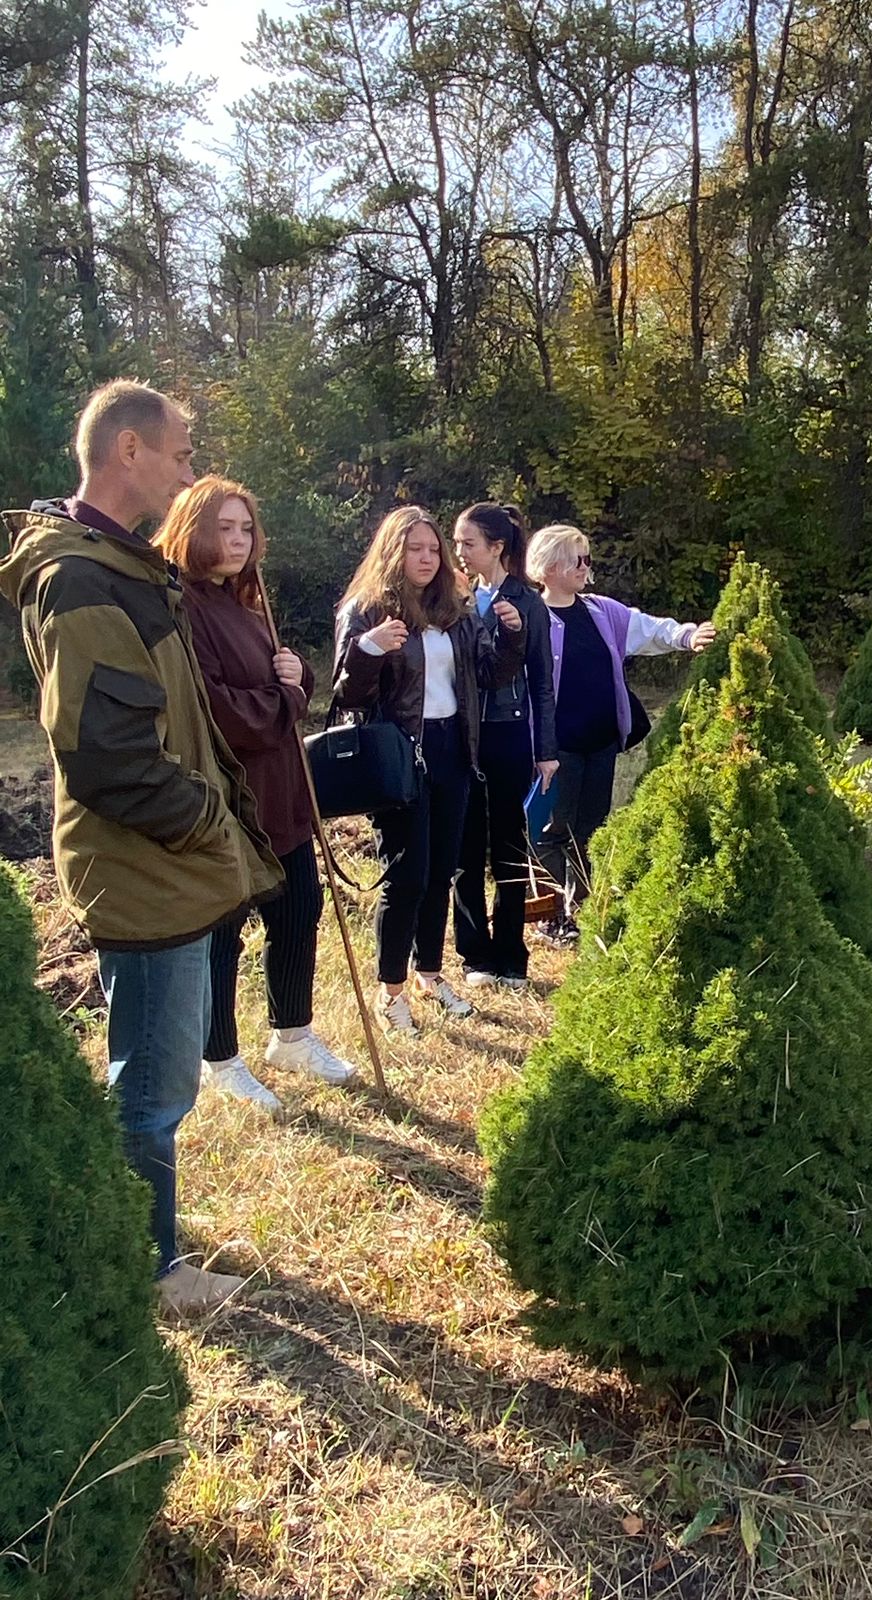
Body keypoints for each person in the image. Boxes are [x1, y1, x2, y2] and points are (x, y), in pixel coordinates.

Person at [0, 381, 283, 1316]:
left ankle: (143, 1233)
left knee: (158, 1081)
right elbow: (111, 761)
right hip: (145, 869)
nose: (190, 471)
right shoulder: (82, 580)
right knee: (152, 1090)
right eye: (182, 453)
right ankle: (149, 1270)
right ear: (130, 450)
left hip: (166, 863)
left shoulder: (121, 564)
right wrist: (208, 823)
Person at [154, 476, 354, 1114]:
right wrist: (290, 698)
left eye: (246, 528)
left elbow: (277, 676)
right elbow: (219, 711)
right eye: (224, 528)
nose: (239, 541)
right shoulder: (181, 607)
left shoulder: (244, 599)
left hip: (282, 791)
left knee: (299, 908)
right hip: (230, 796)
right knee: (223, 931)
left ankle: (291, 1035)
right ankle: (219, 1059)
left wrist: (299, 673)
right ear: (192, 531)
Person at [331, 507, 525, 1033]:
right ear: (392, 552)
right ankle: (390, 991)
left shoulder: (453, 608)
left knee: (442, 870)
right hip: (397, 755)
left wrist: (511, 638)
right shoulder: (366, 609)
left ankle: (429, 973)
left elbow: (487, 674)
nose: (426, 558)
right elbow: (347, 695)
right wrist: (368, 650)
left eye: (433, 549)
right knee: (407, 876)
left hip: (453, 751)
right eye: (414, 549)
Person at [525, 523, 716, 945]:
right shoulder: (531, 617)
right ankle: (549, 917)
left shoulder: (600, 611)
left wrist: (687, 635)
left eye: (587, 558)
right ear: (550, 566)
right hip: (555, 749)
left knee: (591, 829)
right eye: (577, 559)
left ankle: (583, 910)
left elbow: (650, 629)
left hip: (600, 743)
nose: (586, 567)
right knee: (551, 830)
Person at [452, 503, 558, 991]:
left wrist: (546, 750)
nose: (459, 551)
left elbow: (542, 682)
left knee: (510, 845)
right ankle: (474, 954)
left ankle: (512, 954)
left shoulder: (528, 602)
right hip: (461, 733)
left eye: (468, 543)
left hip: (508, 733)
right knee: (466, 845)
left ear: (497, 547)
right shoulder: (455, 597)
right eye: (457, 542)